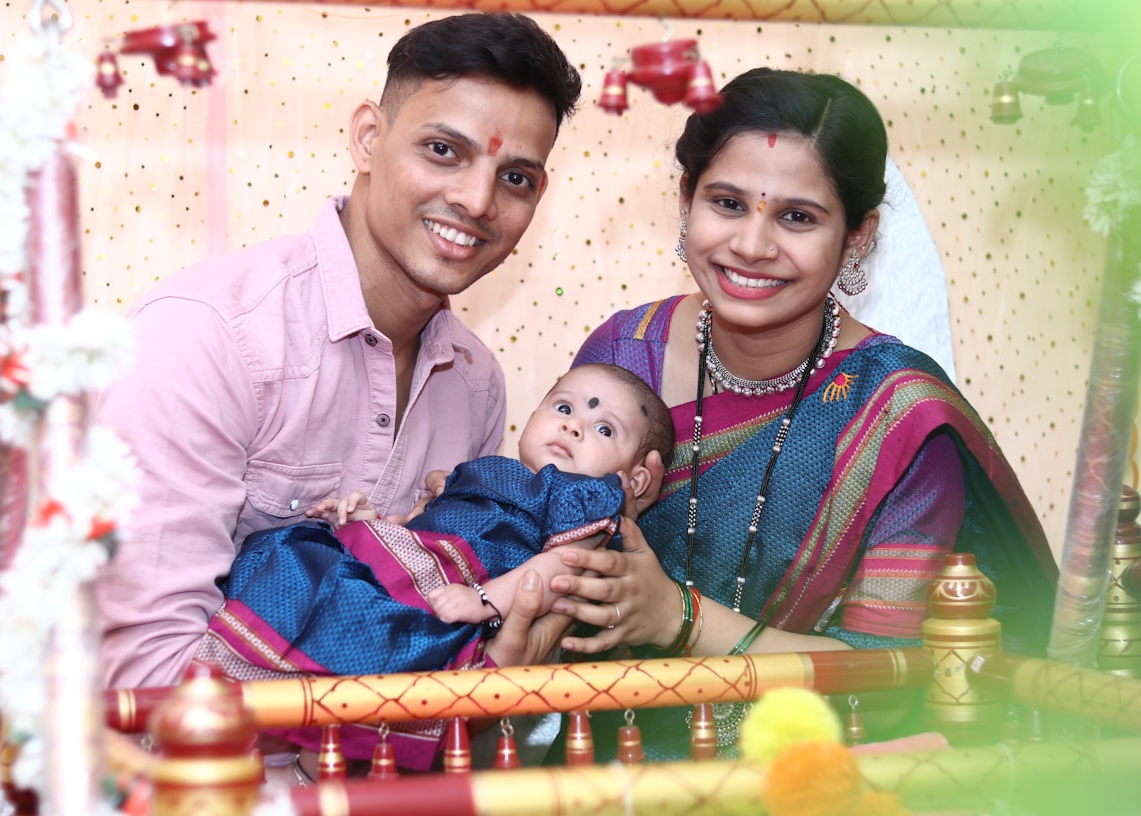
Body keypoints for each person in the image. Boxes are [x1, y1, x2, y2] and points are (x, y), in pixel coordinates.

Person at [543, 68, 1058, 761]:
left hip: (803, 780)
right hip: (601, 775)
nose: (752, 245)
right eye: (727, 203)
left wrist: (679, 618)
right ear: (686, 199)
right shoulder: (621, 357)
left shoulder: (896, 412)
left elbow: (888, 679)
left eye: (797, 217)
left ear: (857, 236)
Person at [93, 13, 584, 693]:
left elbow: (440, 630)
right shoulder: (205, 336)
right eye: (443, 150)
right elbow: (143, 681)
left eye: (516, 178)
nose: (476, 200)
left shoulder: (475, 385)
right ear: (367, 138)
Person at [197, 363, 674, 770]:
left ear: (633, 479)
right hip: (409, 560)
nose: (573, 427)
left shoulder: (581, 496)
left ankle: (310, 754)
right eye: (564, 408)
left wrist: (486, 599)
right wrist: (369, 522)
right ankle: (266, 710)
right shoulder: (489, 468)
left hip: (452, 588)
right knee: (293, 555)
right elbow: (425, 521)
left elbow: (561, 569)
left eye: (604, 429)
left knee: (373, 640)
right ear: (533, 416)